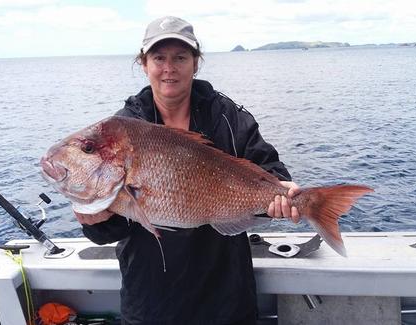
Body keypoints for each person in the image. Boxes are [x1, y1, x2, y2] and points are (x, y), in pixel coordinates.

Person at [75, 16, 300, 325]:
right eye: (159, 58)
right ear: (144, 64)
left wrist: (283, 193)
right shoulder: (120, 131)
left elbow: (272, 171)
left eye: (180, 57)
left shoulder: (226, 116)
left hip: (227, 300)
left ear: (196, 63)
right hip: (152, 303)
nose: (169, 67)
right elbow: (113, 229)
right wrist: (95, 221)